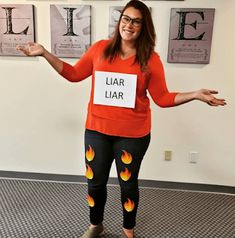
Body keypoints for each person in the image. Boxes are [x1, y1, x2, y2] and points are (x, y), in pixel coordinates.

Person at [17, 0, 226, 237]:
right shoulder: (100, 49)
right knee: (95, 183)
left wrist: (195, 94)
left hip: (133, 135)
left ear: (143, 27)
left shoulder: (150, 60)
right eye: (126, 19)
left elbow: (163, 98)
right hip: (97, 130)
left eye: (137, 21)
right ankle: (96, 225)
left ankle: (128, 229)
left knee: (128, 185)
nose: (129, 25)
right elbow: (74, 75)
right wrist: (45, 53)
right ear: (120, 21)